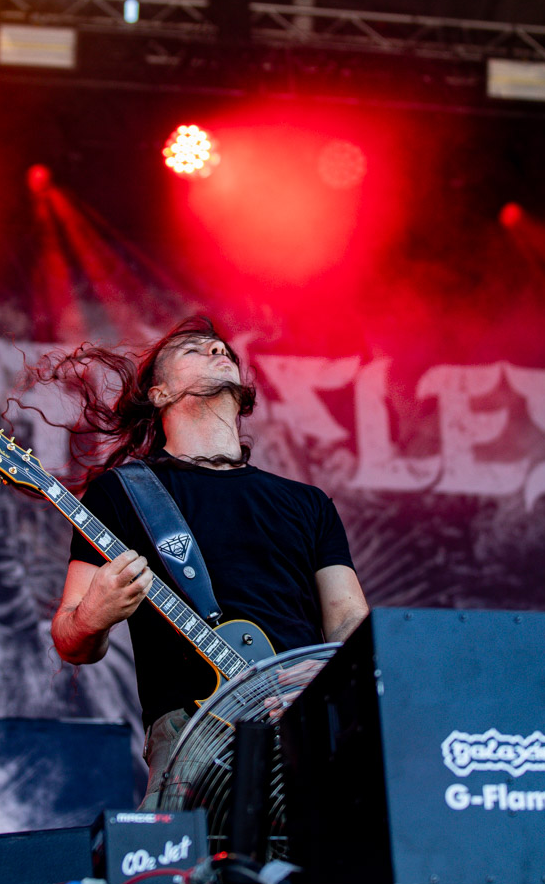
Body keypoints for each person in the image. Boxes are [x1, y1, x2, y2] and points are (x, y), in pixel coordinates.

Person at [42, 316, 370, 803]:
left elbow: (348, 619)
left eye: (223, 350)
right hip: (194, 730)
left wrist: (326, 679)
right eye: (195, 350)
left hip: (304, 718)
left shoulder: (307, 503)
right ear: (159, 394)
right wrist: (95, 613)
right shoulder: (123, 493)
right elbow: (71, 639)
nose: (218, 350)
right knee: (189, 853)